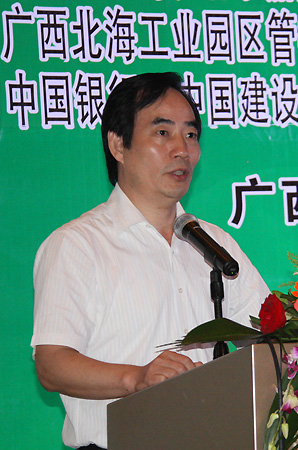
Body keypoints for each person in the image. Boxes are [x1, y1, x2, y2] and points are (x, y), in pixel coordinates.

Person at [31, 72, 270, 449]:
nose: (182, 149)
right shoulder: (78, 245)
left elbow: (269, 337)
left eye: (191, 134)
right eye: (162, 132)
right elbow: (51, 363)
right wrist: (137, 378)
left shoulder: (214, 244)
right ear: (118, 144)